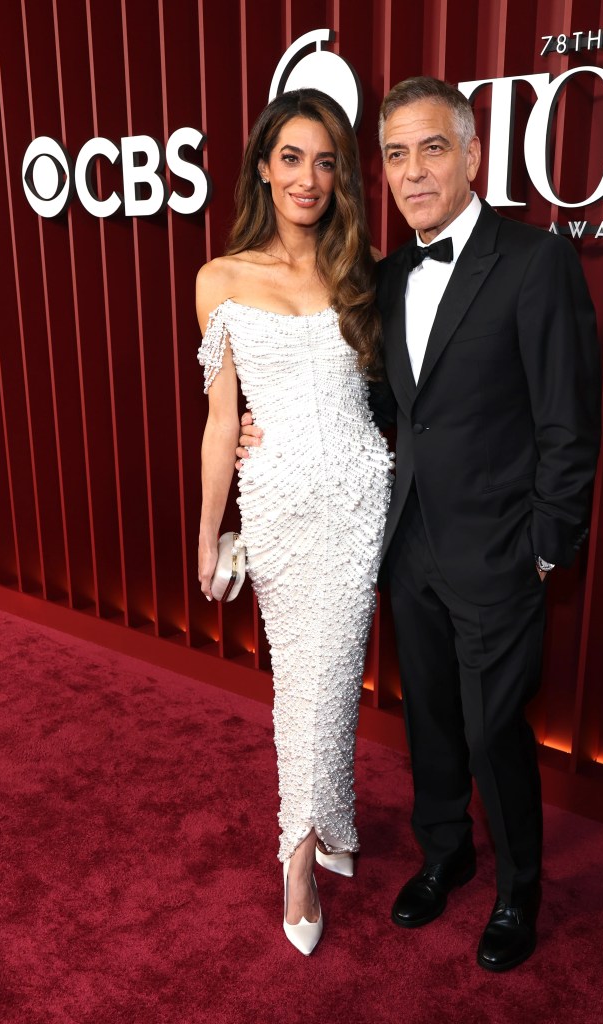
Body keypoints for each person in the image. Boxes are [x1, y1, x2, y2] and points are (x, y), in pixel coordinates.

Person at [239, 76, 601, 971]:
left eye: (431, 148)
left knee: (492, 729)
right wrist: (270, 422)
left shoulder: (534, 261)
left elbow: (570, 421)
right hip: (405, 546)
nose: (411, 170)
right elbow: (369, 401)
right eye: (394, 154)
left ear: (474, 156)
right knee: (432, 722)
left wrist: (547, 550)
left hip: (503, 554)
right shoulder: (388, 275)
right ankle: (447, 855)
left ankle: (520, 887)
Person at [196, 88, 391, 956]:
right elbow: (218, 419)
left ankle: (325, 831)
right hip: (275, 504)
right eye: (290, 158)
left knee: (335, 674)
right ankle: (300, 857)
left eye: (324, 161)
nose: (307, 177)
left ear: (338, 175)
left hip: (357, 500)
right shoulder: (222, 279)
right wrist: (208, 535)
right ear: (263, 168)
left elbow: (394, 395)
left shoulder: (363, 267)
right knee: (298, 688)